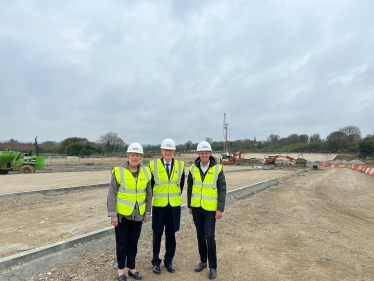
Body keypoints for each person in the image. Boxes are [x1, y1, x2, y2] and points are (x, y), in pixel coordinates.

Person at [107, 143, 152, 281]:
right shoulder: (119, 171)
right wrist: (113, 214)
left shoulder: (146, 172)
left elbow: (148, 194)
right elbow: (112, 194)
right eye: (132, 155)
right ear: (128, 156)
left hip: (138, 215)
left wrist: (148, 211)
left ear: (141, 157)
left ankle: (132, 268)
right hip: (122, 215)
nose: (135, 157)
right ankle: (121, 270)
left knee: (133, 242)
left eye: (137, 155)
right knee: (122, 242)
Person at [187, 141, 226, 280]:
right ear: (198, 154)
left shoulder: (218, 169)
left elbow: (222, 190)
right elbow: (190, 189)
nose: (204, 155)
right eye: (202, 153)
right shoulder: (192, 169)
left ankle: (213, 267)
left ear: (210, 154)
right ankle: (203, 261)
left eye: (207, 153)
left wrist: (220, 209)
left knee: (210, 236)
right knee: (200, 235)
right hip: (197, 208)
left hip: (210, 209)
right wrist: (190, 206)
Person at [150, 138, 185, 274]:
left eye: (170, 150)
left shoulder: (180, 166)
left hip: (173, 207)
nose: (168, 152)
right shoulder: (153, 166)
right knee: (157, 234)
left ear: (174, 151)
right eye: (166, 150)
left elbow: (180, 185)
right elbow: (151, 186)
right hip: (159, 207)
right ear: (162, 151)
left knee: (171, 235)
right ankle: (155, 262)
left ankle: (168, 261)